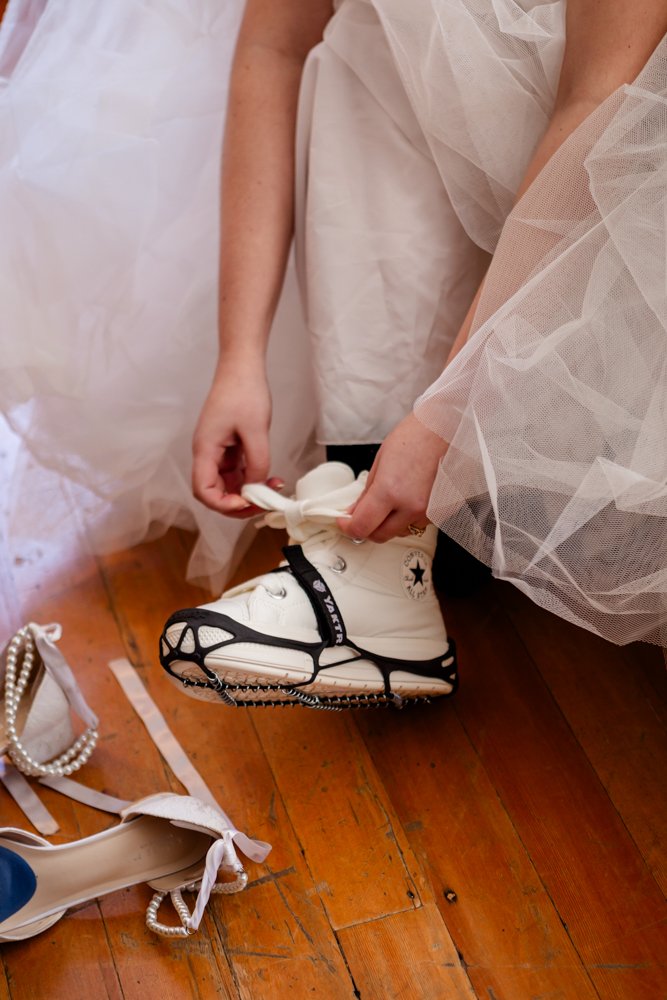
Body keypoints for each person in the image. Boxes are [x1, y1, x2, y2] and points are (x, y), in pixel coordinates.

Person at [158, 0, 667, 708]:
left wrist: (447, 411)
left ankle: (401, 534)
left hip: (626, 154)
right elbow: (272, 50)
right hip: (474, 150)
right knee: (372, 26)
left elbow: (604, 95)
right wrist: (240, 358)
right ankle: (384, 546)